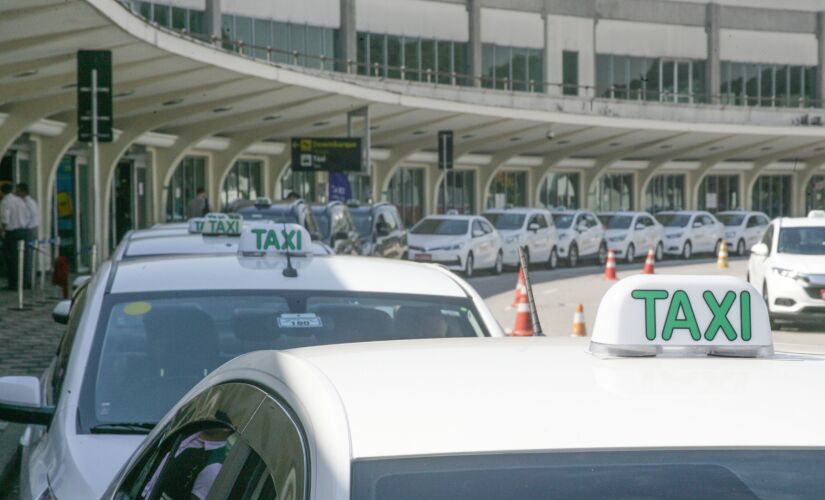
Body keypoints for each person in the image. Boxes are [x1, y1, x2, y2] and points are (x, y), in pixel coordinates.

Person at [1, 183, 28, 290]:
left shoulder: (5, 202)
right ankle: (23, 282)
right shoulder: (19, 200)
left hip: (12, 233)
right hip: (22, 231)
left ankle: (13, 284)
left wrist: (2, 230)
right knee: (22, 258)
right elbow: (26, 215)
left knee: (11, 259)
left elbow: (5, 218)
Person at [17, 183, 39, 288]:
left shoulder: (28, 203)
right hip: (30, 229)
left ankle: (27, 280)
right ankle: (26, 279)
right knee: (26, 256)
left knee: (27, 257)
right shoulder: (29, 202)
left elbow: (28, 217)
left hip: (28, 230)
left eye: (18, 190)